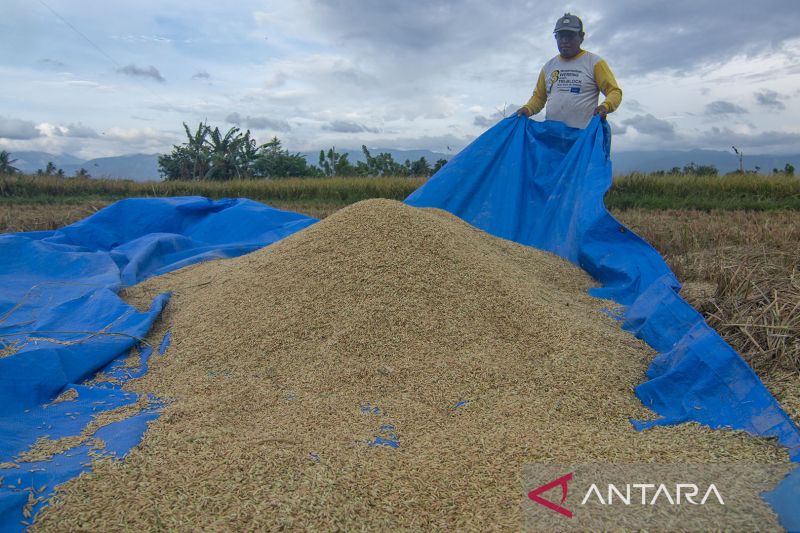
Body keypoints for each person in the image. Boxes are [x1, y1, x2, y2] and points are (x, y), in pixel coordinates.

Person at [517, 13, 622, 129]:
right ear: (555, 38)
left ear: (581, 36)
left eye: (570, 36)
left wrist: (605, 106)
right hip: (552, 138)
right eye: (561, 36)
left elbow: (614, 92)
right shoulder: (548, 67)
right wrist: (527, 109)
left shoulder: (594, 63)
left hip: (583, 138)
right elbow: (539, 98)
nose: (565, 41)